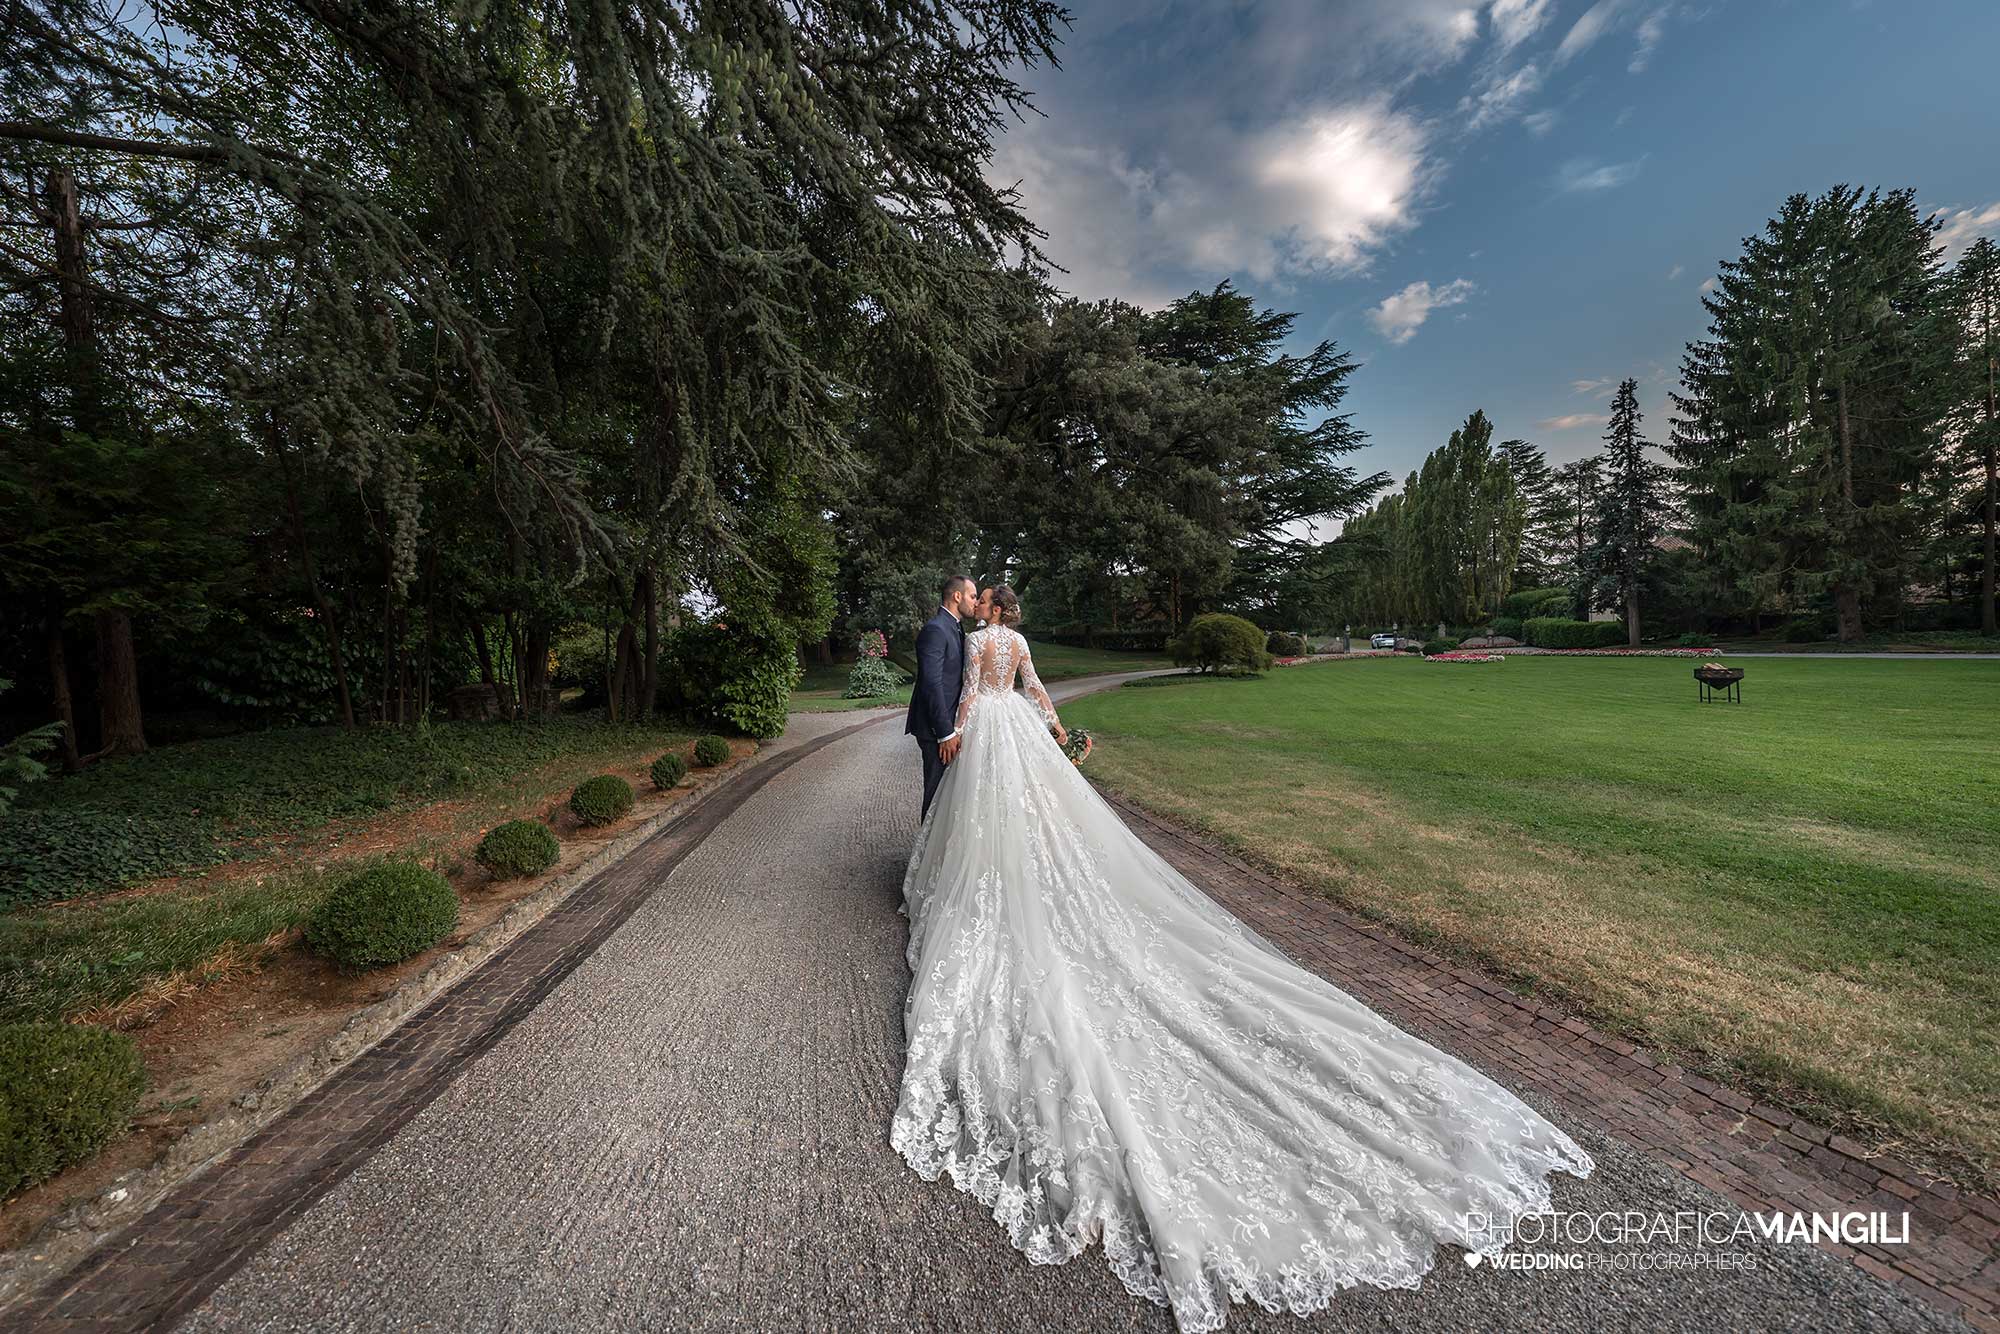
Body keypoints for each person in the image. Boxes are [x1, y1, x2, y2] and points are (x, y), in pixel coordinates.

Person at [893, 584, 1593, 1332]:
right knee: (1047, 831)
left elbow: (969, 697)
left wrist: (959, 733)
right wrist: (1062, 742)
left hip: (991, 738)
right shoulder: (1022, 648)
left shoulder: (974, 645)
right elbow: (1039, 696)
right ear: (1015, 613)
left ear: (986, 611)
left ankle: (999, 892)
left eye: (981, 601)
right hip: (1026, 739)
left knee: (988, 830)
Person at [904, 573, 978, 818]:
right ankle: (925, 856)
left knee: (948, 796)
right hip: (936, 729)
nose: (975, 602)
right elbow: (931, 683)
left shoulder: (954, 628)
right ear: (957, 596)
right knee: (936, 797)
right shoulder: (936, 629)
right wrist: (945, 733)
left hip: (949, 725)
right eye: (972, 596)